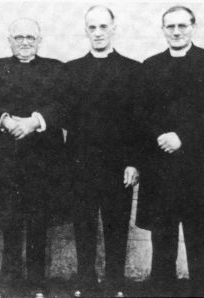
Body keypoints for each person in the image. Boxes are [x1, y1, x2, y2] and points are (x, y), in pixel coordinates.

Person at [0, 18, 71, 297]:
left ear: (39, 40)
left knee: (38, 221)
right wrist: (6, 121)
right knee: (8, 220)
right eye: (18, 37)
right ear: (10, 40)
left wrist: (34, 121)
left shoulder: (55, 69)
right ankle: (7, 281)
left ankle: (36, 282)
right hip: (5, 161)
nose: (24, 42)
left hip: (42, 160)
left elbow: (64, 105)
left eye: (30, 37)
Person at [134, 6, 204, 297]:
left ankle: (203, 291)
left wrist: (183, 137)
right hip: (161, 164)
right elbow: (141, 112)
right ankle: (162, 290)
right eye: (170, 27)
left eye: (182, 26)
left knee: (197, 235)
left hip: (198, 165)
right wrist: (161, 135)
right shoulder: (150, 66)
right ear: (163, 30)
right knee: (162, 234)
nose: (177, 32)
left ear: (194, 27)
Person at [63, 6, 140, 297]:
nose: (98, 33)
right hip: (81, 160)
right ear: (86, 31)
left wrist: (133, 162)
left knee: (117, 224)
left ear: (113, 29)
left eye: (103, 27)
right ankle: (85, 282)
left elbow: (137, 120)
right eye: (92, 27)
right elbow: (65, 115)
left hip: (118, 163)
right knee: (83, 224)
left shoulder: (132, 69)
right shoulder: (71, 70)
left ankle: (115, 284)